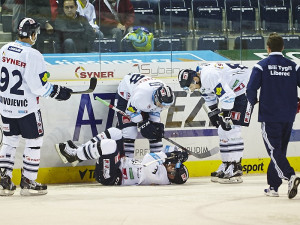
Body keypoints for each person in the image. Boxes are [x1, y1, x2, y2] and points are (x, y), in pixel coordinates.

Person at [0, 17, 73, 196]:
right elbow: (38, 87)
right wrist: (58, 92)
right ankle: (28, 181)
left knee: (9, 140)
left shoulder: (4, 49)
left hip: (6, 107)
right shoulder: (33, 55)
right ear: (32, 34)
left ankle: (4, 179)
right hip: (27, 110)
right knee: (34, 142)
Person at [178, 63, 253, 184]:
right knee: (222, 130)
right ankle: (227, 164)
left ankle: (236, 167)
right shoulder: (201, 79)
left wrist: (225, 115)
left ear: (195, 79)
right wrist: (214, 112)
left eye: (189, 86)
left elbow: (228, 97)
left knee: (232, 129)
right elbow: (209, 96)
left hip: (245, 90)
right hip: (234, 91)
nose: (190, 89)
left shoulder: (208, 75)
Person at [246, 33, 300, 199]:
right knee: (279, 150)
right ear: (283, 48)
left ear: (267, 48)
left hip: (270, 115)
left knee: (273, 150)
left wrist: (253, 101)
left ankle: (291, 176)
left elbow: (250, 89)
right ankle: (274, 187)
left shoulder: (262, 65)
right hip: (288, 115)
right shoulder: (293, 66)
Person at [55, 127, 189, 185]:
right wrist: (181, 154)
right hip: (119, 164)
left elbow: (149, 159)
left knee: (110, 145)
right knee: (116, 133)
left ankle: (73, 155)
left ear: (172, 176)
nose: (171, 165)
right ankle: (79, 152)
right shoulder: (165, 170)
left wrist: (170, 155)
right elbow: (169, 151)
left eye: (174, 167)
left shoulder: (161, 177)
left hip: (110, 176)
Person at [116, 73, 174, 158]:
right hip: (126, 96)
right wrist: (142, 123)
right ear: (156, 97)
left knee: (155, 132)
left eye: (165, 105)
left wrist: (156, 126)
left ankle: (157, 160)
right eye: (162, 104)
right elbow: (130, 111)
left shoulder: (165, 97)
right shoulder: (140, 96)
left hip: (145, 95)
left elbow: (156, 111)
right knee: (130, 132)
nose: (163, 107)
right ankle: (128, 164)